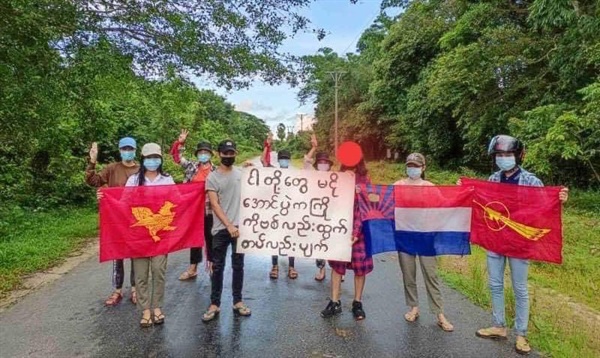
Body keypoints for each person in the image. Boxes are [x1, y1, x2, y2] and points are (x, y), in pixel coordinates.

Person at [474, 135, 569, 355]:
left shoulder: (531, 181)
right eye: (499, 155)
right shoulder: (493, 179)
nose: (503, 158)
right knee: (495, 285)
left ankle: (521, 334)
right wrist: (465, 190)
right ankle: (499, 326)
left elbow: (545, 209)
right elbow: (483, 204)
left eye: (507, 154)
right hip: (496, 240)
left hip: (520, 242)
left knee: (520, 288)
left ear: (518, 156)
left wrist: (560, 199)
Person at [393, 153, 454, 332]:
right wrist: (363, 192)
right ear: (406, 166)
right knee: (408, 274)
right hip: (405, 236)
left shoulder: (429, 187)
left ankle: (439, 314)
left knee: (431, 275)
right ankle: (413, 307)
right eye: (410, 165)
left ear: (423, 168)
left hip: (426, 237)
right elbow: (381, 200)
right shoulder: (398, 185)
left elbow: (445, 205)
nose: (413, 168)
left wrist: (462, 192)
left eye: (416, 165)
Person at [125, 143, 175, 328]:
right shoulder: (133, 181)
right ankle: (145, 310)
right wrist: (105, 198)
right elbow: (123, 204)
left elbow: (178, 199)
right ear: (143, 159)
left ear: (160, 159)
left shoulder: (167, 179)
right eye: (148, 158)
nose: (152, 161)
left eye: (155, 157)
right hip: (138, 236)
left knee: (158, 271)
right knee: (140, 275)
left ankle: (157, 307)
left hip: (160, 236)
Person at [85, 137, 140, 306]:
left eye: (130, 148)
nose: (127, 152)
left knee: (135, 255)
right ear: (120, 150)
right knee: (118, 255)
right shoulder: (112, 168)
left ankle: (135, 289)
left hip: (135, 217)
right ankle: (117, 290)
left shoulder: (141, 170)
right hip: (116, 217)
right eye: (124, 149)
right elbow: (93, 181)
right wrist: (92, 162)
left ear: (135, 150)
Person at [202, 139, 252, 322]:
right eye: (225, 153)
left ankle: (238, 301)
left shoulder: (240, 173)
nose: (228, 156)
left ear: (235, 154)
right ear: (218, 154)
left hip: (240, 228)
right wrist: (229, 225)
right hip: (221, 229)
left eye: (231, 153)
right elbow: (214, 205)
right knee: (218, 266)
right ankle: (215, 303)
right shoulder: (212, 178)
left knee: (238, 265)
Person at [321, 152, 372, 321]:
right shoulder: (337, 177)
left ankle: (357, 302)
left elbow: (366, 207)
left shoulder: (365, 180)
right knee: (337, 265)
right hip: (339, 229)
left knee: (360, 267)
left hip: (360, 230)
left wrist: (356, 232)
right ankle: (334, 302)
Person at [169, 129, 215, 281]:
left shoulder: (216, 171)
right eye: (200, 152)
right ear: (197, 154)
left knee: (211, 238)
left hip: (211, 210)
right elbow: (176, 158)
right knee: (194, 238)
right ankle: (193, 267)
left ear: (210, 154)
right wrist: (180, 142)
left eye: (205, 152)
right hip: (193, 210)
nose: (203, 154)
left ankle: (213, 265)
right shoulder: (191, 167)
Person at [302, 134, 334, 281]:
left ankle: (337, 271)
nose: (323, 164)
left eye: (325, 162)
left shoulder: (336, 178)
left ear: (329, 165)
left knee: (335, 244)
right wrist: (314, 147)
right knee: (320, 244)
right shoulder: (312, 176)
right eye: (320, 162)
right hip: (317, 216)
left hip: (334, 216)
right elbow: (306, 162)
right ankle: (322, 270)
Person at [268, 149, 298, 279]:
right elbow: (264, 162)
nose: (284, 161)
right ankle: (275, 265)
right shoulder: (273, 173)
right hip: (276, 212)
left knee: (290, 240)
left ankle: (292, 266)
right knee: (275, 238)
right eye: (282, 159)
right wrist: (267, 145)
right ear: (278, 161)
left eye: (286, 158)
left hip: (291, 212)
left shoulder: (295, 175)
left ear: (289, 160)